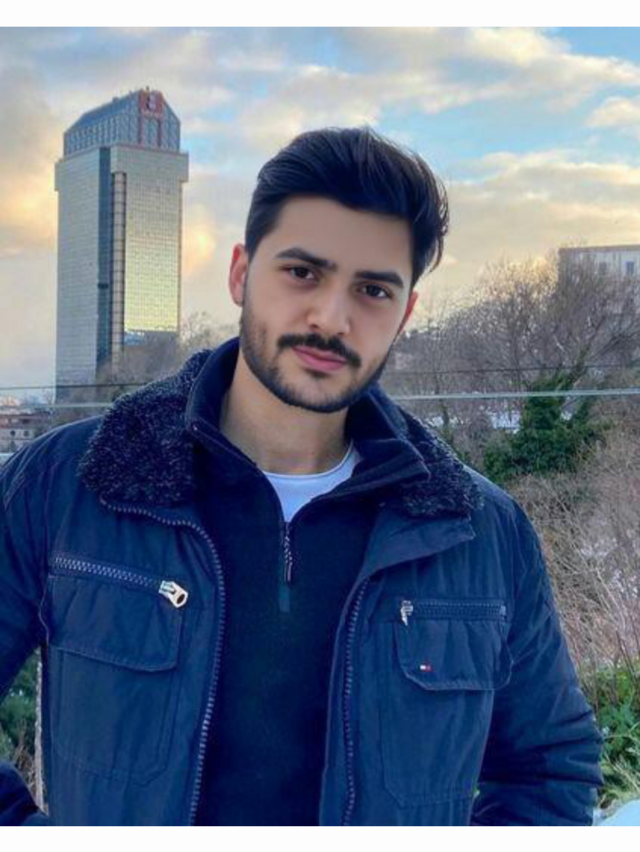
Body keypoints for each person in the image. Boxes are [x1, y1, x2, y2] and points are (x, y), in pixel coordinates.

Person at [0, 126, 602, 826]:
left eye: (372, 289)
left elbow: (549, 768)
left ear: (404, 313)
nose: (331, 317)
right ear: (240, 273)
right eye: (302, 273)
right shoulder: (70, 485)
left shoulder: (478, 532)